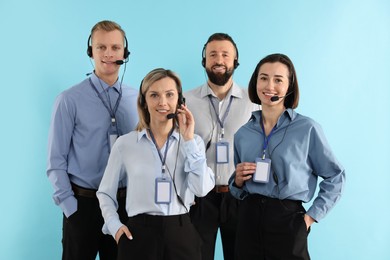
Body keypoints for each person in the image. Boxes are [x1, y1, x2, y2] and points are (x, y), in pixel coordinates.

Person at [229, 53, 346, 259]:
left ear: (290, 86)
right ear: (255, 82)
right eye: (263, 78)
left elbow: (336, 176)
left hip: (288, 221)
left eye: (278, 80)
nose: (269, 85)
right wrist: (237, 182)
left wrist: (310, 218)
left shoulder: (307, 129)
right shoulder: (243, 134)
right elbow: (238, 189)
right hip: (248, 220)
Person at [97, 68, 215, 260]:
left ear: (180, 101)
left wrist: (188, 140)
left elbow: (201, 189)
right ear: (144, 101)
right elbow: (105, 193)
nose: (162, 102)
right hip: (138, 234)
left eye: (169, 95)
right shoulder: (125, 144)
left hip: (181, 231)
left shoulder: (194, 143)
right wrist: (115, 227)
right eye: (154, 95)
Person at [46, 20, 138, 260]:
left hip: (123, 207)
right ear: (91, 51)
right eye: (101, 47)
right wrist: (71, 210)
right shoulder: (69, 100)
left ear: (124, 53)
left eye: (116, 48)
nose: (109, 54)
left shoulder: (137, 98)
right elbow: (56, 160)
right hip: (83, 206)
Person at [186, 33, 258, 260]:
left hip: (240, 196)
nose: (219, 60)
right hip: (200, 198)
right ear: (204, 61)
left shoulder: (253, 101)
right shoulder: (186, 100)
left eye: (225, 55)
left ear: (235, 61)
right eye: (213, 55)